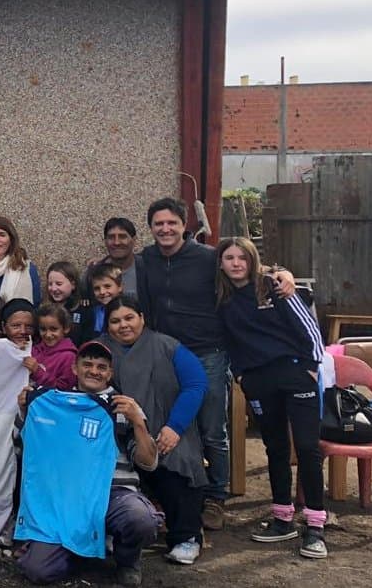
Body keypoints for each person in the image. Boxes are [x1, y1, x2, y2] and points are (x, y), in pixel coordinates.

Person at [137, 197, 297, 530]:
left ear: (184, 226)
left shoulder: (208, 258)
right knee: (169, 422)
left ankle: (215, 497)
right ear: (150, 228)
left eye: (172, 223)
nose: (165, 229)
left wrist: (282, 273)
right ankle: (173, 491)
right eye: (158, 224)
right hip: (166, 354)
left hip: (207, 352)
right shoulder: (146, 260)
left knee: (212, 427)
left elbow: (246, 267)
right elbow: (118, 266)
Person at [216, 237, 328, 559]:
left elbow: (310, 328)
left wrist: (311, 367)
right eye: (229, 258)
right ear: (221, 263)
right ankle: (282, 518)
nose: (236, 264)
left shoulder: (273, 285)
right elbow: (230, 342)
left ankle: (316, 526)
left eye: (242, 258)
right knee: (275, 447)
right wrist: (241, 376)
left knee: (307, 447)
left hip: (296, 374)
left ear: (252, 261)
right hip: (258, 381)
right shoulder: (222, 298)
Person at [15, 341, 161, 587]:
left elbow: (149, 463)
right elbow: (20, 444)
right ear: (74, 368)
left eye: (102, 367)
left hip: (112, 494)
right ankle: (79, 551)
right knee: (37, 570)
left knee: (140, 519)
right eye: (88, 364)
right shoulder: (50, 403)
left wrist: (138, 422)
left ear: (110, 373)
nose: (94, 371)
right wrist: (24, 409)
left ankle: (127, 560)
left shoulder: (122, 407)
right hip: (64, 499)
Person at [99, 297, 209, 566]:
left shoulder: (167, 345)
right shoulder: (101, 350)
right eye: (115, 321)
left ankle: (187, 536)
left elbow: (196, 384)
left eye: (129, 318)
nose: (123, 325)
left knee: (178, 462)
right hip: (119, 433)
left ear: (142, 318)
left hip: (168, 428)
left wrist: (175, 427)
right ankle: (115, 532)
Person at [26, 302, 78, 390]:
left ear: (66, 328)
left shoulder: (69, 357)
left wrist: (38, 372)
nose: (48, 334)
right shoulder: (34, 350)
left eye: (53, 329)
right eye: (43, 329)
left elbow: (64, 389)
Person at [45, 261, 97, 345]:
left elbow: (87, 339)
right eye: (50, 284)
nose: (54, 288)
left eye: (59, 284)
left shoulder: (83, 309)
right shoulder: (45, 310)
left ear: (73, 285)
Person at [89, 217, 141, 300]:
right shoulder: (93, 272)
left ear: (134, 240)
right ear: (105, 241)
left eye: (122, 237)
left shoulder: (148, 269)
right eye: (111, 237)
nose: (116, 242)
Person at [86, 263, 125, 338]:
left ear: (120, 286)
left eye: (107, 286)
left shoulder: (128, 309)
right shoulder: (94, 312)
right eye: (97, 288)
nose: (102, 292)